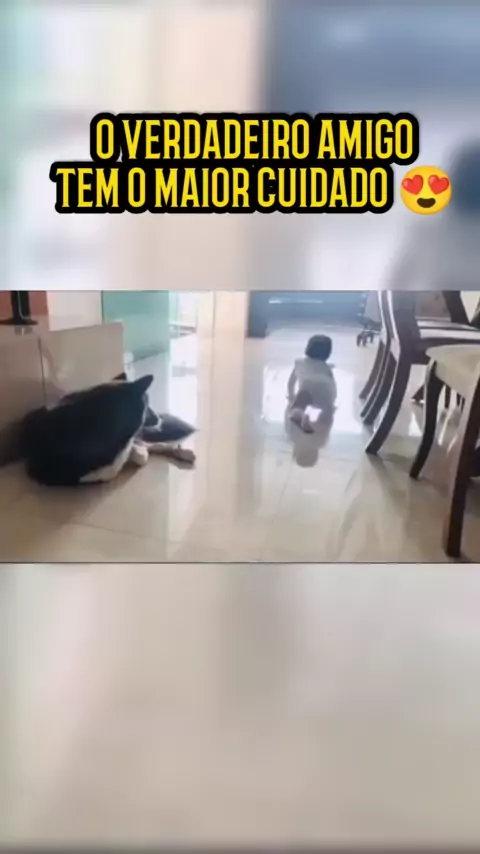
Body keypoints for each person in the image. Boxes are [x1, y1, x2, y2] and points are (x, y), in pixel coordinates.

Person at [286, 334, 337, 433]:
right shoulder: (327, 367)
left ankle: (301, 415)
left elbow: (291, 383)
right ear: (328, 353)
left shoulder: (299, 363)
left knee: (298, 405)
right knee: (326, 413)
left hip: (306, 391)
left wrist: (291, 397)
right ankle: (324, 417)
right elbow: (333, 385)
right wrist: (332, 402)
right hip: (325, 393)